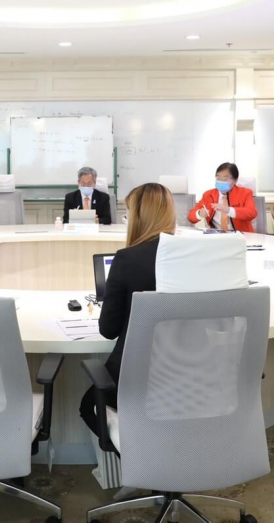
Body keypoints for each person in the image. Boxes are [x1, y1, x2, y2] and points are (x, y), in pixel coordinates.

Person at [78, 183, 176, 436]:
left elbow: (108, 330)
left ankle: (140, 457)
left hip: (136, 383)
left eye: (128, 213)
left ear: (139, 217)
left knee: (89, 407)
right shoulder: (193, 257)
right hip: (190, 382)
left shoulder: (127, 259)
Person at [188, 162, 258, 232]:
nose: (221, 181)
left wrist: (228, 210)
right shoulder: (208, 195)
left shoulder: (245, 193)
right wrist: (199, 214)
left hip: (241, 235)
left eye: (225, 179)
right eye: (218, 178)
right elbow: (191, 217)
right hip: (217, 235)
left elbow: (252, 213)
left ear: (235, 180)